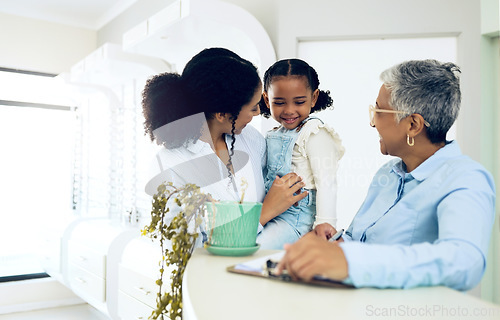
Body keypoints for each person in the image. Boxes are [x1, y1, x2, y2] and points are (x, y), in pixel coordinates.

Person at [276, 59, 496, 291]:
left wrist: (351, 262)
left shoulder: (466, 178)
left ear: (413, 125)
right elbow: (357, 239)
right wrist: (328, 245)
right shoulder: (388, 174)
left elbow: (463, 263)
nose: (372, 123)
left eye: (378, 112)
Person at [142, 48, 307, 246]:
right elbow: (188, 250)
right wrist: (266, 211)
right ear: (221, 114)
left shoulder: (251, 139)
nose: (257, 113)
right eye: (252, 107)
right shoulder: (168, 168)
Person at [256, 59, 344, 250]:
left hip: (297, 220)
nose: (289, 110)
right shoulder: (274, 133)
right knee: (242, 242)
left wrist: (324, 224)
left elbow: (327, 182)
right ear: (266, 99)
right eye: (279, 102)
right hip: (271, 212)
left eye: (299, 102)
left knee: (256, 248)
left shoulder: (315, 132)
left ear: (313, 98)